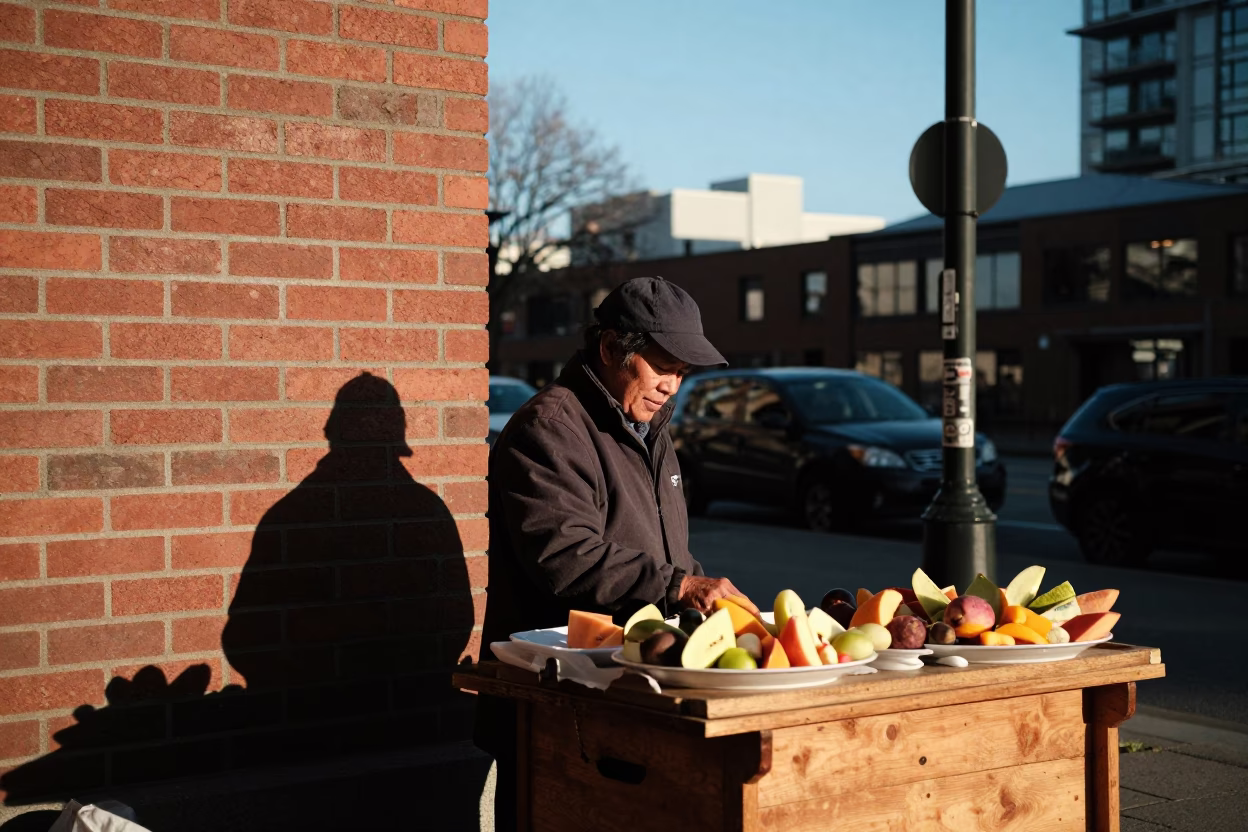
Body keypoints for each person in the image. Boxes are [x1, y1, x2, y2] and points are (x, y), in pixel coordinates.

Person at [476, 276, 759, 827]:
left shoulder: (651, 428)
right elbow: (565, 555)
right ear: (610, 348)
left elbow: (665, 550)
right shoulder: (549, 429)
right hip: (558, 696)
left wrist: (705, 596)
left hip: (623, 692)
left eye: (682, 372)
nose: (672, 386)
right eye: (662, 367)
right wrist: (680, 586)